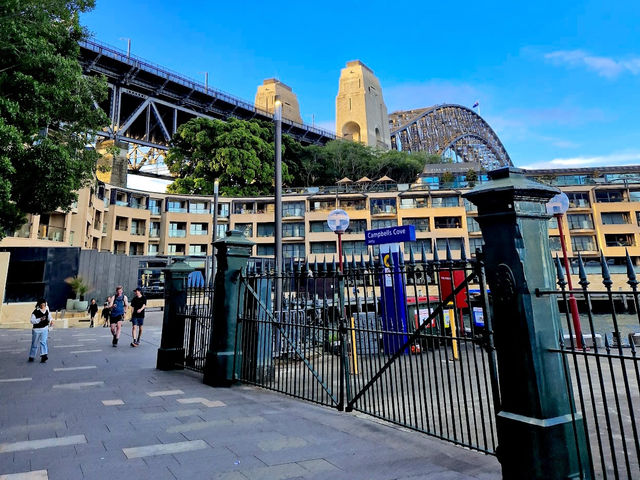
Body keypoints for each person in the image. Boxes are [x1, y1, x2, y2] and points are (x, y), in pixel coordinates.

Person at [29, 299, 53, 363]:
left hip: (44, 328)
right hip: (36, 330)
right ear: (39, 305)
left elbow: (50, 317)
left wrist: (51, 321)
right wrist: (40, 319)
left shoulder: (47, 310)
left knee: (43, 342)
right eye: (42, 305)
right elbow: (32, 321)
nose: (43, 306)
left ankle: (44, 356)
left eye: (44, 304)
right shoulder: (35, 312)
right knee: (34, 343)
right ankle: (32, 356)